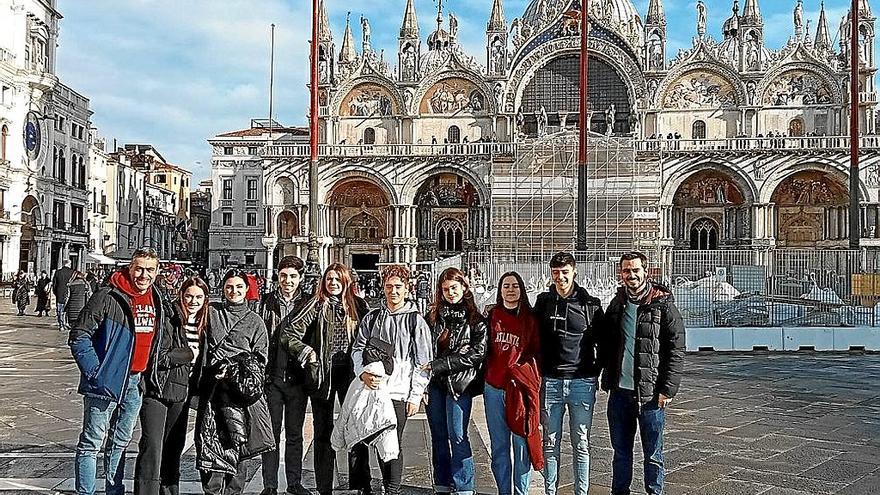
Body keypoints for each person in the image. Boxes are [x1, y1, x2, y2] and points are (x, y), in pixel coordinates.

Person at [69, 247, 165, 495]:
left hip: (135, 382)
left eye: (150, 270)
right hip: (106, 382)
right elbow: (80, 335)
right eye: (139, 269)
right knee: (91, 443)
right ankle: (86, 492)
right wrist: (95, 372)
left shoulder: (156, 296)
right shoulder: (108, 295)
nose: (144, 275)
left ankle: (115, 491)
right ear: (130, 268)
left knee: (120, 443)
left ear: (157, 271)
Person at [601, 252, 685, 495]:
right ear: (621, 274)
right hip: (620, 394)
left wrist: (668, 389)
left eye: (635, 270)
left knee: (653, 455)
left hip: (651, 396)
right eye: (626, 270)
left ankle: (654, 492)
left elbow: (676, 348)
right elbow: (604, 339)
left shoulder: (663, 304)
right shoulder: (618, 303)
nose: (631, 275)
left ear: (646, 272)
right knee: (621, 453)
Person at [282, 263, 370, 495]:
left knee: (356, 427)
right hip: (322, 375)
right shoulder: (315, 304)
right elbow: (289, 334)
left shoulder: (359, 306)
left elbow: (370, 336)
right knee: (323, 430)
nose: (333, 283)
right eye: (329, 279)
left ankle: (360, 483)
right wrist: (307, 352)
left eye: (337, 280)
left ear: (346, 282)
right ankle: (324, 487)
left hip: (351, 375)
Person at [351, 265, 433, 495]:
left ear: (407, 289)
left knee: (391, 441)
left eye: (398, 287)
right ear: (383, 288)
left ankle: (393, 489)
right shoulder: (372, 317)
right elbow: (358, 348)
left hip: (398, 391)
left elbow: (423, 361)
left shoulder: (416, 321)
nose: (393, 291)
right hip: (374, 389)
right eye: (389, 287)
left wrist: (415, 395)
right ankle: (386, 487)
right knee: (377, 439)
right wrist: (362, 373)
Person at [195, 269, 274, 495]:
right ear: (223, 289)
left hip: (239, 390)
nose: (234, 291)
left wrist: (234, 369)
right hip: (213, 389)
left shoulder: (255, 321)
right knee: (210, 440)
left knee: (240, 442)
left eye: (239, 287)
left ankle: (233, 491)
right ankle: (211, 490)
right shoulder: (210, 313)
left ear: (247, 290)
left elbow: (260, 358)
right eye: (229, 287)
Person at [533, 252, 604, 495]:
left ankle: (580, 492)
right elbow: (529, 331)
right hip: (550, 382)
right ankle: (549, 491)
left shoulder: (590, 305)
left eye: (565, 272)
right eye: (556, 272)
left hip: (581, 382)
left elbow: (603, 342)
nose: (560, 277)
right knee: (550, 443)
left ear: (574, 272)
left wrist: (594, 372)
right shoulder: (543, 303)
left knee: (581, 443)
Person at [134, 276, 209, 495]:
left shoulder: (205, 323)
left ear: (205, 299)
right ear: (181, 295)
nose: (193, 301)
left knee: (173, 446)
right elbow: (158, 356)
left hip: (182, 393)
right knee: (152, 446)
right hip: (158, 389)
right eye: (188, 296)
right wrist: (187, 354)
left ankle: (169, 491)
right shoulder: (170, 318)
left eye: (198, 297)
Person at [424, 267, 487, 495]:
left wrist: (441, 364)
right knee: (438, 435)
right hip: (434, 385)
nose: (450, 293)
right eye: (445, 289)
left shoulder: (476, 321)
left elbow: (477, 353)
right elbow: (422, 348)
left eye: (454, 287)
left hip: (460, 385)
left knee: (458, 434)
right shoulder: (432, 318)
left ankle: (464, 486)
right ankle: (442, 483)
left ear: (464, 288)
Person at [484, 272, 541, 495]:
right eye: (506, 286)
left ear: (522, 290)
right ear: (499, 290)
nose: (510, 290)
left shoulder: (530, 319)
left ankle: (521, 491)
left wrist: (522, 373)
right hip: (494, 387)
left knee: (521, 446)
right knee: (499, 447)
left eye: (515, 286)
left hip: (519, 390)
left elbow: (536, 353)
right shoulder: (492, 316)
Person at [259, 256, 312, 495]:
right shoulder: (267, 302)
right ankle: (270, 485)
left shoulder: (309, 303)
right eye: (283, 276)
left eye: (292, 276)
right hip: (273, 377)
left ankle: (294, 482)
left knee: (294, 434)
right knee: (271, 434)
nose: (287, 281)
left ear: (300, 278)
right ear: (277, 276)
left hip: (297, 379)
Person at [52, 260, 75, 329]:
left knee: (60, 310)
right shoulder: (72, 273)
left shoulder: (58, 272)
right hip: (69, 294)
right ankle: (67, 323)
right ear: (69, 264)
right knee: (68, 309)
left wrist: (56, 293)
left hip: (59, 293)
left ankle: (61, 324)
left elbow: (54, 285)